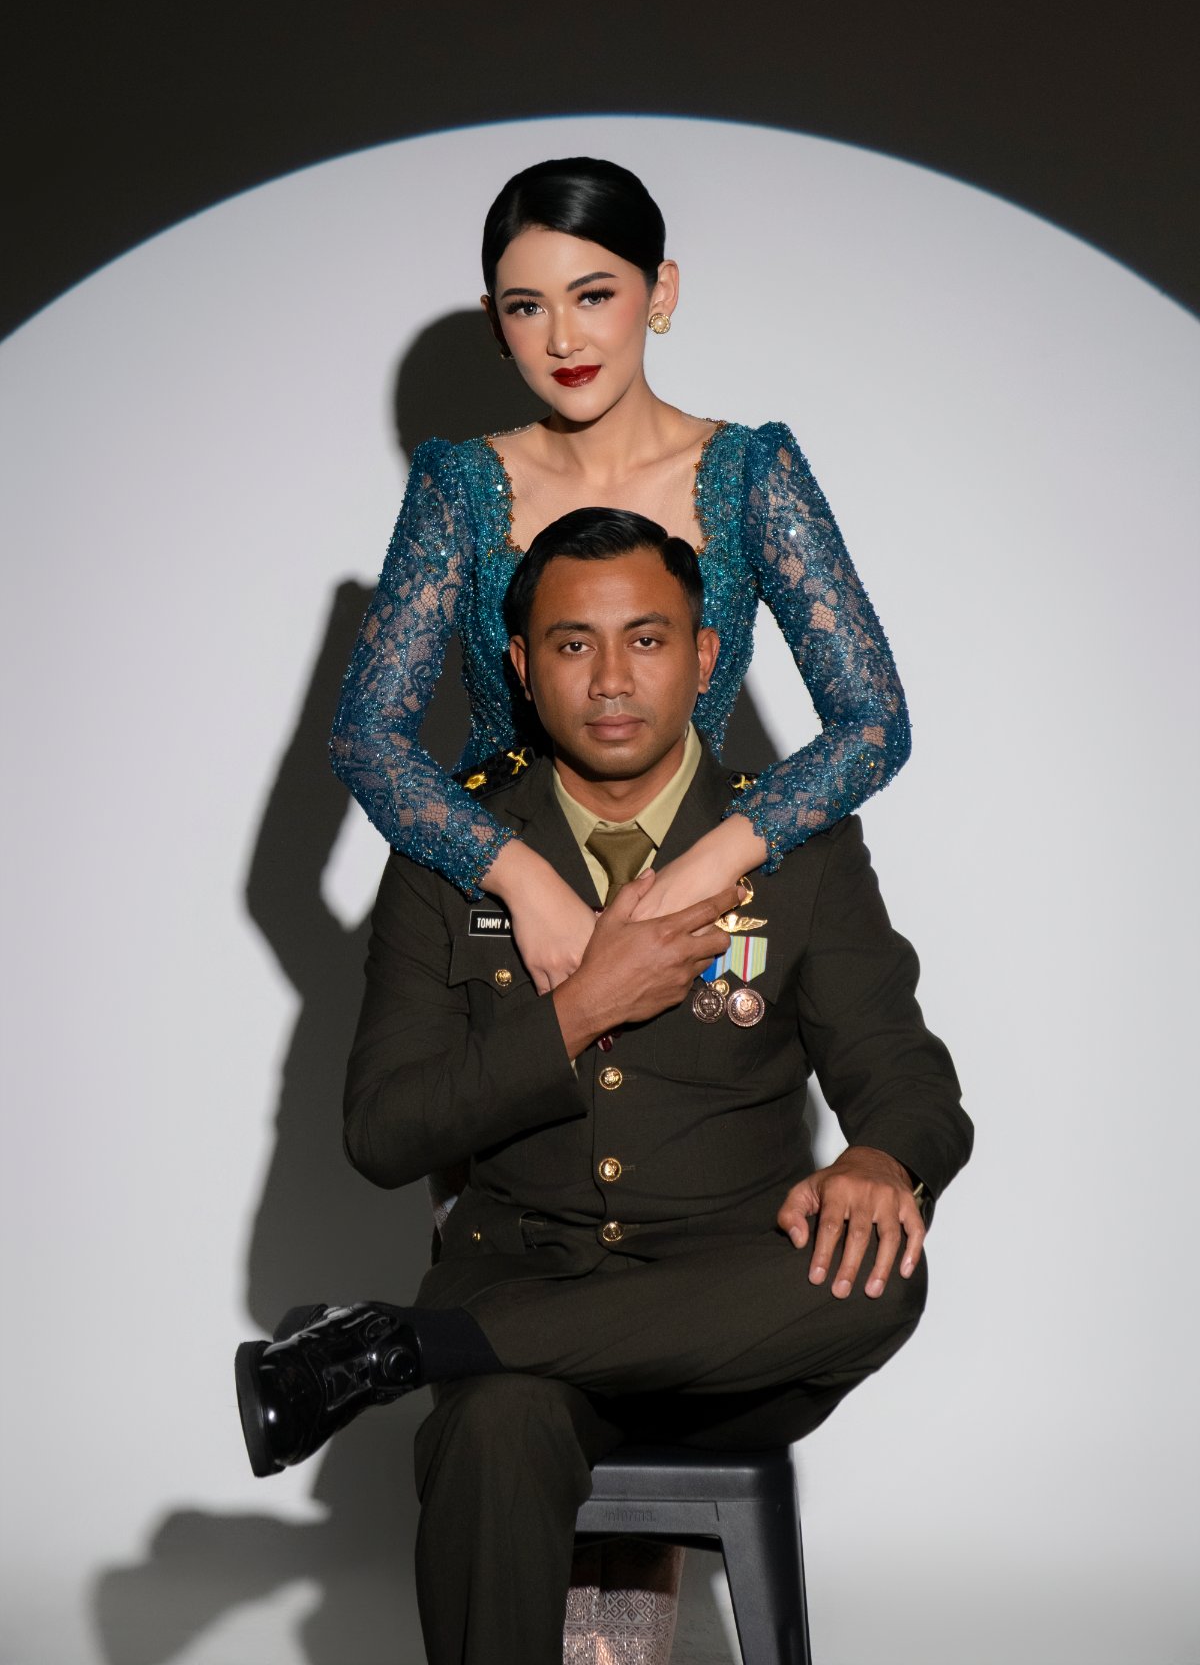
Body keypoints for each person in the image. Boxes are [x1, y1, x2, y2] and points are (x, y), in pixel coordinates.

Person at [238, 510, 973, 1665]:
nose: (613, 679)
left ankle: (411, 1345)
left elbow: (908, 1076)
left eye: (648, 639)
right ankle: (458, 1350)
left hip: (727, 1316)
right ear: (523, 667)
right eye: (574, 644)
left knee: (881, 1273)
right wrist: (580, 1007)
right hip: (527, 1278)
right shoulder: (450, 854)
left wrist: (885, 1158)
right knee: (496, 1425)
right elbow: (383, 1131)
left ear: (705, 655)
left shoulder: (800, 850)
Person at [330, 156, 911, 992]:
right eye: (528, 307)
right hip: (500, 919)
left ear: (660, 291)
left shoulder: (748, 473)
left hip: (687, 902)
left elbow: (873, 723)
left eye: (593, 295)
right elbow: (367, 736)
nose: (563, 339)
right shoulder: (459, 486)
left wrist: (703, 867)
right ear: (496, 322)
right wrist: (522, 881)